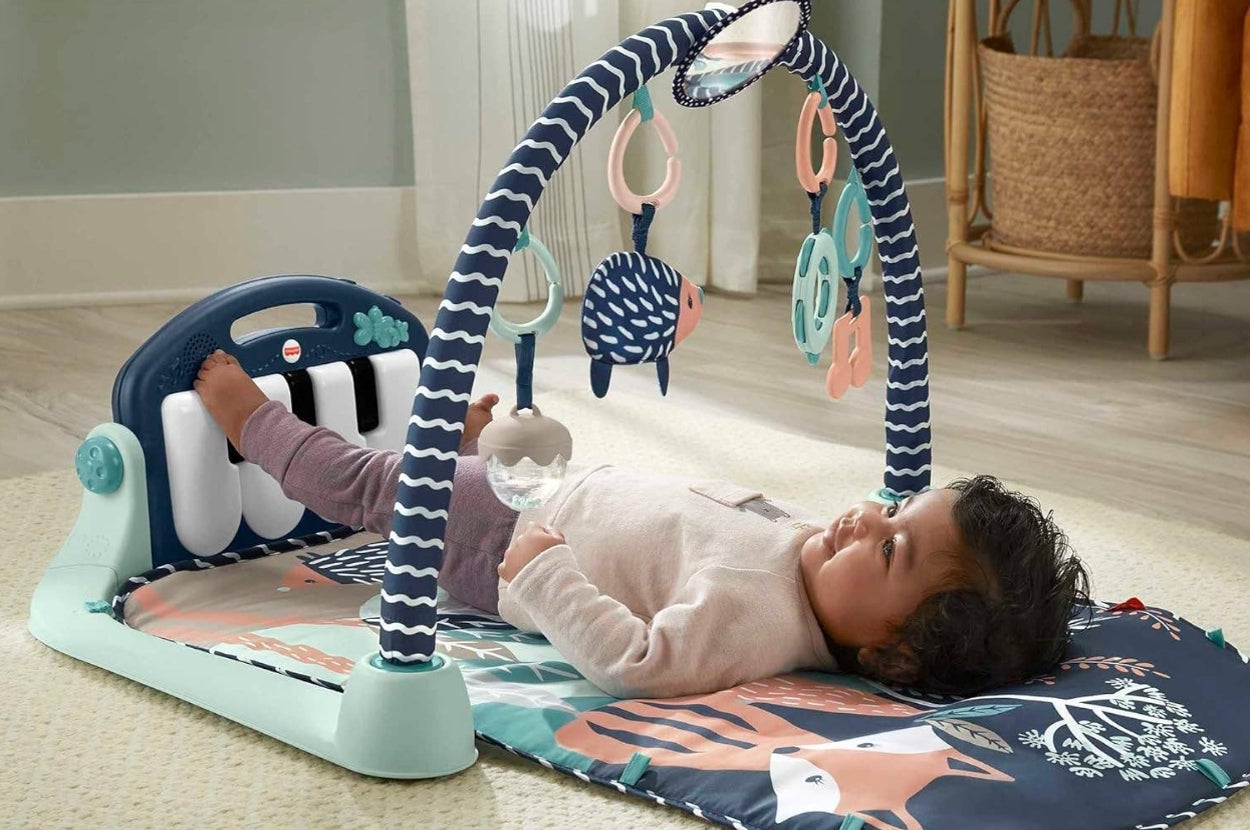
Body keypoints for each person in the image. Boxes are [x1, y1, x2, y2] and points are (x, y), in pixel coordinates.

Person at [195, 350, 1089, 699]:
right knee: (512, 437)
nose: (863, 515)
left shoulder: (753, 624)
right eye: (891, 510)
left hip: (512, 544)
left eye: (888, 545)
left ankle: (247, 419)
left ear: (891, 652)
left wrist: (542, 571)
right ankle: (471, 450)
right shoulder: (826, 564)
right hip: (564, 493)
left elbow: (637, 665)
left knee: (369, 486)